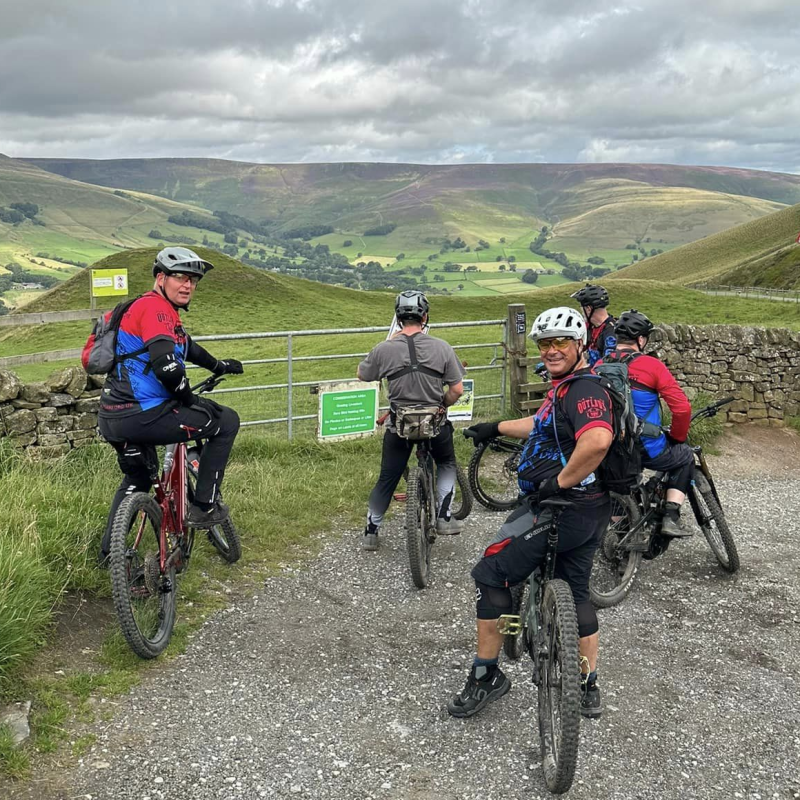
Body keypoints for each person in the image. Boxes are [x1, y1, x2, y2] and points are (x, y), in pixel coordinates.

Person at [448, 306, 613, 721]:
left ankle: (487, 676)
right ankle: (586, 684)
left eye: (561, 342)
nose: (551, 350)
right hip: (590, 510)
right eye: (544, 343)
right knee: (575, 592)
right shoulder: (567, 386)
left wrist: (557, 484)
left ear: (580, 345)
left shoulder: (584, 391)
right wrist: (496, 427)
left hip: (559, 509)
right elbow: (541, 424)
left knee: (490, 573)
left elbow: (595, 441)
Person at [97, 247, 243, 563]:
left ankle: (110, 554)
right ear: (160, 277)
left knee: (136, 480)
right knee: (226, 421)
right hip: (145, 415)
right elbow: (167, 365)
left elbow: (185, 347)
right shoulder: (156, 309)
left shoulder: (139, 309)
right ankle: (204, 507)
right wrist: (188, 398)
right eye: (180, 277)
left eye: (193, 280)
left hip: (111, 417)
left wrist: (218, 365)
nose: (188, 285)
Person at [356, 290, 465, 551]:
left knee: (387, 477)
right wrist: (443, 405)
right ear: (425, 317)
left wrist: (391, 346)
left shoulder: (385, 348)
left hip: (399, 426)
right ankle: (443, 516)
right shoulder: (442, 347)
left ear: (398, 318)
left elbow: (362, 374)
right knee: (447, 462)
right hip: (434, 423)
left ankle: (371, 531)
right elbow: (457, 389)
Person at [605, 309, 693, 537]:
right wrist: (677, 437)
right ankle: (671, 516)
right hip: (645, 446)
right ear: (641, 339)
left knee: (615, 481)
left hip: (609, 447)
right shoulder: (652, 366)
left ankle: (620, 532)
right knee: (685, 456)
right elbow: (682, 408)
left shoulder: (599, 368)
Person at [570, 284, 616, 366]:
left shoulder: (611, 332)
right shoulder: (589, 327)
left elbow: (609, 365)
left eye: (581, 308)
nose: (582, 312)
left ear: (588, 308)